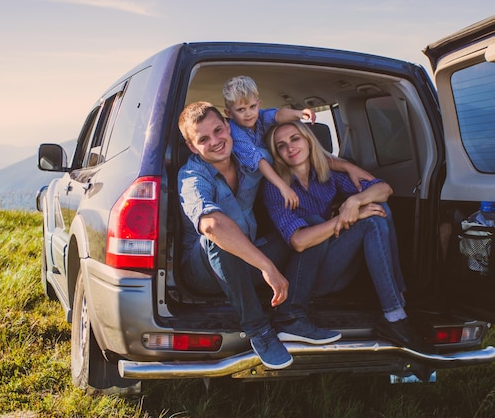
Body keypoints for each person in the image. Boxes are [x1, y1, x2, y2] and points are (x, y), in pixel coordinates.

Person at [177, 102, 370, 370]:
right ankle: (259, 330)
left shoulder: (249, 158)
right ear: (191, 146)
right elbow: (211, 225)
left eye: (219, 130)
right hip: (205, 272)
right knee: (217, 236)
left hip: (248, 259)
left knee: (309, 224)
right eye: (203, 139)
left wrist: (345, 166)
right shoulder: (191, 176)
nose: (216, 141)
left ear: (228, 127)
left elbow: (295, 153)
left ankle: (292, 317)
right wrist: (268, 267)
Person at [262, 121, 428, 352]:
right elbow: (299, 242)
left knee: (378, 212)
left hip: (334, 262)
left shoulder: (327, 175)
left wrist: (354, 202)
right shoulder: (276, 188)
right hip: (308, 277)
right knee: (355, 219)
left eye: (295, 139)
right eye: (281, 145)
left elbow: (384, 189)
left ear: (308, 140)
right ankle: (396, 310)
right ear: (277, 154)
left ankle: (395, 312)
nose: (290, 148)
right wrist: (345, 218)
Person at [222, 75, 315, 210]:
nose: (248, 114)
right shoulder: (235, 133)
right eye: (241, 109)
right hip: (242, 190)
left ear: (258, 105)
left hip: (262, 183)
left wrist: (299, 114)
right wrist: (284, 187)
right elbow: (259, 161)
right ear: (229, 113)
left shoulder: (260, 117)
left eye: (252, 106)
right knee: (243, 217)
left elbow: (278, 115)